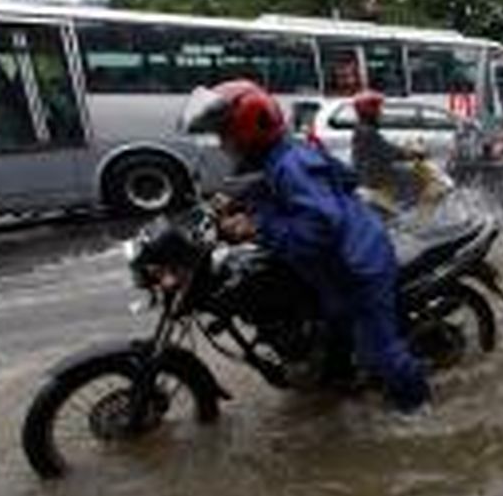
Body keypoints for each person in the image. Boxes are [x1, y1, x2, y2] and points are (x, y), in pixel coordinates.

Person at [184, 80, 432, 415]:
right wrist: (239, 204)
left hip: (356, 265)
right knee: (324, 328)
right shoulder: (276, 156)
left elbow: (317, 231)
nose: (222, 143)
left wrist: (257, 225)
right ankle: (336, 383)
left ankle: (417, 409)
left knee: (379, 353)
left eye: (225, 133)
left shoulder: (292, 163)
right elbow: (314, 186)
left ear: (247, 128)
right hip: (334, 266)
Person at [350, 91, 422, 209]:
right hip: (372, 173)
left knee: (404, 171)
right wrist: (410, 153)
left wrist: (403, 148)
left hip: (370, 169)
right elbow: (388, 151)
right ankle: (406, 210)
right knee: (412, 176)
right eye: (377, 108)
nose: (380, 112)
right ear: (369, 110)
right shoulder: (367, 131)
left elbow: (383, 147)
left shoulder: (364, 128)